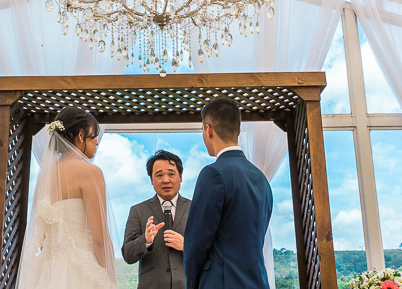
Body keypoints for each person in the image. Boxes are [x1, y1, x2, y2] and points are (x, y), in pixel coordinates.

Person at [16, 106, 118, 289]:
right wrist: (107, 277)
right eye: (94, 136)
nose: (96, 142)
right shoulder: (90, 173)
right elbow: (100, 239)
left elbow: (43, 235)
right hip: (80, 271)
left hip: (46, 273)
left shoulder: (46, 176)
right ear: (80, 135)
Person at [183, 97, 273, 289]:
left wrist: (191, 282)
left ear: (208, 130)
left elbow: (197, 242)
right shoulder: (262, 179)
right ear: (238, 131)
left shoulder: (213, 174)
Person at [122, 150, 191, 288]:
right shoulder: (137, 211)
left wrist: (187, 245)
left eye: (171, 174)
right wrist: (145, 241)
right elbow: (128, 255)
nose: (166, 180)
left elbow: (211, 250)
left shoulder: (196, 208)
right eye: (159, 175)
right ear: (151, 180)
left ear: (181, 177)